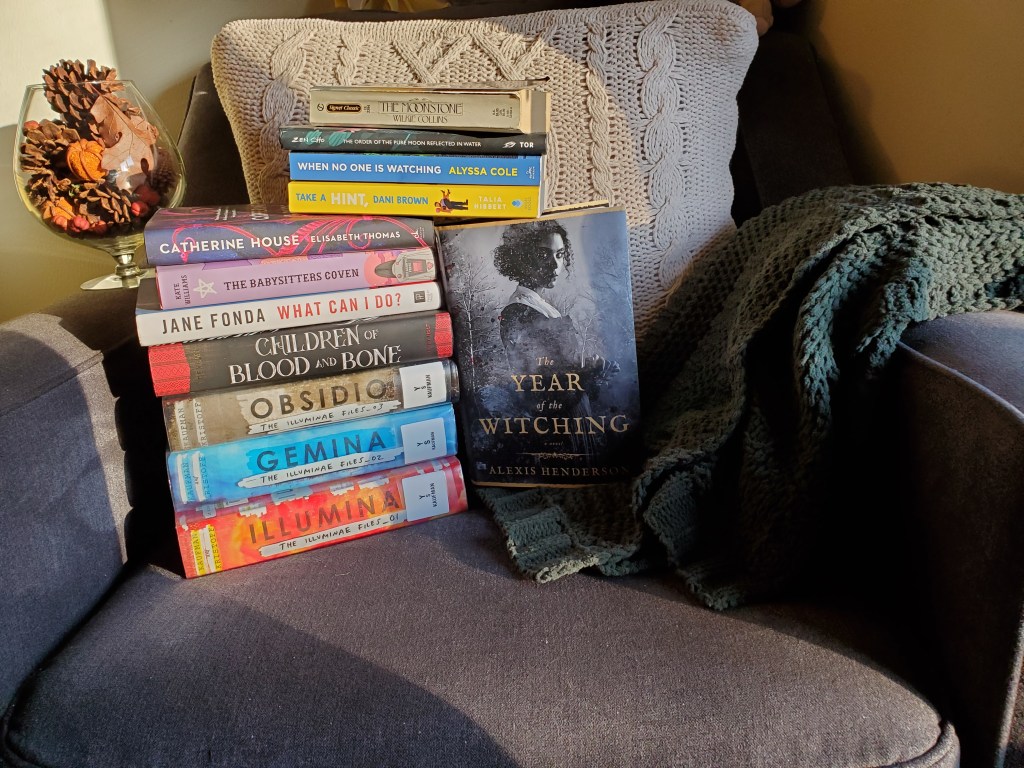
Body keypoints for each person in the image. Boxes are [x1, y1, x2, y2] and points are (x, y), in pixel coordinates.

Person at [492, 218, 619, 458]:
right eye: (543, 255)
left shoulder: (542, 307)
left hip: (576, 413)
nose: (555, 266)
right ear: (521, 257)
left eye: (560, 255)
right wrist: (588, 374)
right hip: (559, 425)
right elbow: (538, 385)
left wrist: (593, 370)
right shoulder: (519, 312)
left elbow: (562, 368)